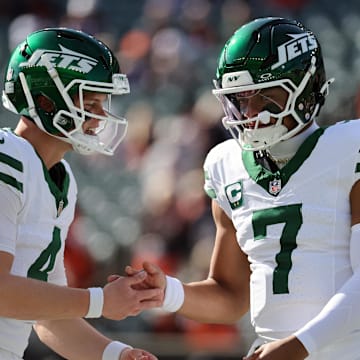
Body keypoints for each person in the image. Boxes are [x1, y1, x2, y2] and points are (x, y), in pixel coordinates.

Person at [125, 17, 360, 359]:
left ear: (307, 87)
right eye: (240, 98)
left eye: (265, 96)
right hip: (274, 349)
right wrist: (169, 293)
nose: (250, 112)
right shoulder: (226, 165)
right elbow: (230, 295)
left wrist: (299, 346)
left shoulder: (348, 148)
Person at [0, 27, 163, 360]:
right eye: (90, 101)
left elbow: (48, 316)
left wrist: (116, 354)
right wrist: (100, 301)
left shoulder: (61, 178)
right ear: (44, 99)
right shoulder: (7, 159)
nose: (101, 115)